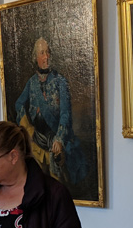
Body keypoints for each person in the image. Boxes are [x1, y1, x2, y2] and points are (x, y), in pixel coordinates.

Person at [14, 38, 83, 185]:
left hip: (55, 141)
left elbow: (65, 114)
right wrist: (28, 128)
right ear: (35, 57)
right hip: (36, 140)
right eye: (42, 53)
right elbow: (19, 104)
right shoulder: (32, 82)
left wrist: (59, 139)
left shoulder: (60, 81)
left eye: (48, 52)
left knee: (57, 184)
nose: (46, 56)